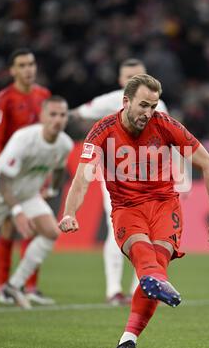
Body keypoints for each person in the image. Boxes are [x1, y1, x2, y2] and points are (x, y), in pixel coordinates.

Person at [59, 74, 209, 348]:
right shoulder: (103, 131)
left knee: (155, 266)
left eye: (153, 106)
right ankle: (154, 279)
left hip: (164, 205)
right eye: (143, 106)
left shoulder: (166, 124)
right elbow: (83, 177)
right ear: (126, 102)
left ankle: (127, 343)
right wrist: (69, 212)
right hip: (127, 207)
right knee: (143, 255)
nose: (148, 113)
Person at [70, 58, 168, 305]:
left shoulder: (159, 105)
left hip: (150, 180)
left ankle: (141, 288)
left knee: (149, 232)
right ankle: (114, 290)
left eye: (138, 76)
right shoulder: (110, 101)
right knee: (118, 229)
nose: (133, 82)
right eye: (128, 79)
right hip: (115, 178)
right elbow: (75, 114)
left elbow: (170, 143)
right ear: (120, 83)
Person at [0, 96, 73, 309]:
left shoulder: (65, 144)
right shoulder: (24, 139)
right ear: (42, 116)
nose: (58, 120)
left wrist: (52, 190)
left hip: (27, 195)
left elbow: (60, 168)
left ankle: (14, 286)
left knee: (51, 232)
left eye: (62, 115)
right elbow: (3, 181)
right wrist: (17, 212)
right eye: (53, 114)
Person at [0, 48, 52, 305]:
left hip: (32, 175)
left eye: (31, 64)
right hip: (7, 174)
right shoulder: (4, 99)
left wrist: (44, 178)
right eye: (22, 65)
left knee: (36, 227)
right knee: (7, 227)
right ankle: (4, 286)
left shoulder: (43, 96)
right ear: (13, 70)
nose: (29, 69)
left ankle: (29, 287)